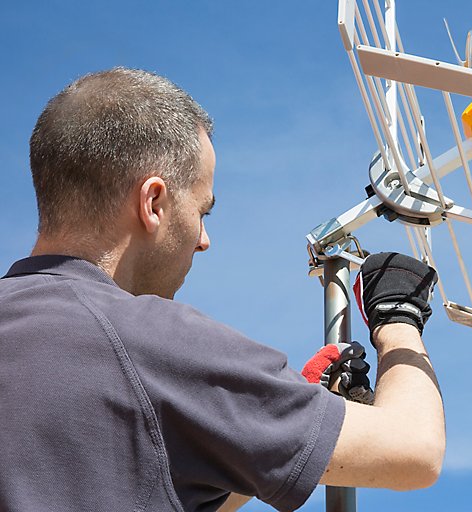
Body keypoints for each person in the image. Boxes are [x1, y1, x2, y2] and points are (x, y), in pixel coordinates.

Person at [0, 68, 445, 512]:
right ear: (153, 202)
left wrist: (269, 426)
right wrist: (398, 316)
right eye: (201, 210)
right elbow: (414, 449)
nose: (203, 239)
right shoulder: (152, 343)